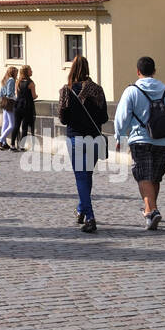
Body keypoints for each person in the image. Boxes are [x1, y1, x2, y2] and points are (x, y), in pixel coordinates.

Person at [114, 56, 165, 231]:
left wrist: (119, 137)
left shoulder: (131, 91)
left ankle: (151, 210)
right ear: (154, 71)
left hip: (140, 139)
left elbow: (122, 117)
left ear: (138, 71)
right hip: (163, 141)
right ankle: (150, 208)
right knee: (155, 176)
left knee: (143, 175)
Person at [57, 55, 108, 234]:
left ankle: (90, 216)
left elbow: (63, 119)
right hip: (94, 139)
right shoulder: (98, 90)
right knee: (87, 176)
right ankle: (81, 209)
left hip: (76, 138)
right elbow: (104, 118)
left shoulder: (67, 90)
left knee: (81, 177)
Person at [13, 65, 36, 150]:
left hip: (18, 105)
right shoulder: (30, 83)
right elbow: (33, 96)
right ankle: (22, 145)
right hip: (27, 106)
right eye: (30, 70)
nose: (32, 71)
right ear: (27, 72)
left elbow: (17, 94)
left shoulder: (18, 82)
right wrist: (36, 96)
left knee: (16, 125)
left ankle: (13, 145)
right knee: (25, 127)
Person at [0, 66, 18, 150]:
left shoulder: (4, 80)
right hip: (10, 103)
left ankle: (4, 143)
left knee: (5, 123)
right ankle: (0, 140)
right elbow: (10, 93)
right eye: (16, 72)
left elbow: (1, 94)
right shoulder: (11, 80)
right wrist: (15, 98)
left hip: (4, 102)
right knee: (12, 125)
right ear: (13, 73)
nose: (17, 74)